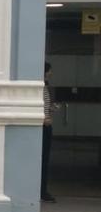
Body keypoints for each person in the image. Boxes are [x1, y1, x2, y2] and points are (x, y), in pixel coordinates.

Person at [41, 62, 58, 203]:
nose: (51, 73)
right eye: (49, 71)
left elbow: (46, 106)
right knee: (41, 160)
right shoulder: (39, 88)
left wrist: (52, 110)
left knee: (45, 159)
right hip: (42, 126)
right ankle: (41, 190)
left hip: (46, 126)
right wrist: (43, 119)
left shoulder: (46, 87)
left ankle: (42, 189)